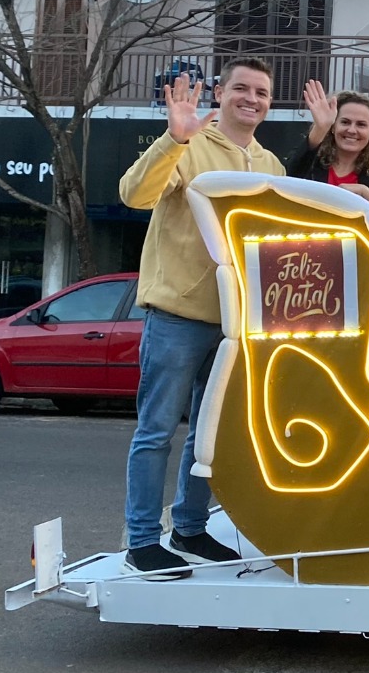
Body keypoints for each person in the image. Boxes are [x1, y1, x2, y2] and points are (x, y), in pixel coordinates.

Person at [118, 59, 286, 581]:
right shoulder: (190, 142)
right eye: (241, 88)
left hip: (237, 326)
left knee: (208, 437)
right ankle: (142, 540)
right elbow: (134, 195)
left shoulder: (272, 166)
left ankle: (189, 529)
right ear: (222, 91)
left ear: (269, 102)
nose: (251, 98)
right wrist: (173, 140)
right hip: (176, 316)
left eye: (261, 91)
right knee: (157, 431)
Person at [287, 80, 369, 240]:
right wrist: (320, 128)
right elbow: (289, 175)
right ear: (333, 127)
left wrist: (366, 194)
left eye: (361, 125)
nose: (352, 130)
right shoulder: (311, 164)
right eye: (345, 122)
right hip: (307, 255)